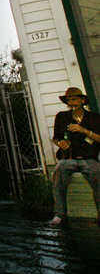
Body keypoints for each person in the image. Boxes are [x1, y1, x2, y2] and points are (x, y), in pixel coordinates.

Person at [49, 87, 100, 226]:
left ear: (82, 100)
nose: (72, 103)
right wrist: (61, 143)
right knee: (58, 173)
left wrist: (83, 130)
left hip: (89, 158)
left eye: (75, 100)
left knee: (99, 177)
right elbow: (55, 138)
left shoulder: (94, 118)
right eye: (69, 100)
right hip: (68, 158)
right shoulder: (61, 116)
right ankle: (59, 214)